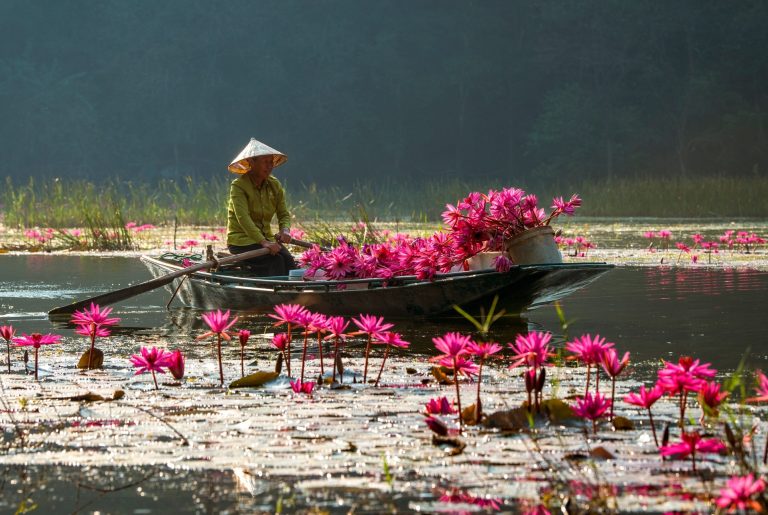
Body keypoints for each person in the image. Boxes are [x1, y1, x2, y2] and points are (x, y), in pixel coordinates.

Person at [226, 138, 297, 276]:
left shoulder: (274, 185)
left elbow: (283, 214)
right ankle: (276, 295)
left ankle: (293, 293)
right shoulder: (239, 186)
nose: (269, 166)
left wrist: (285, 230)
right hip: (242, 242)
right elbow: (243, 218)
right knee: (276, 262)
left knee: (288, 261)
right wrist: (264, 242)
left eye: (271, 162)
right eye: (265, 162)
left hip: (267, 240)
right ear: (252, 162)